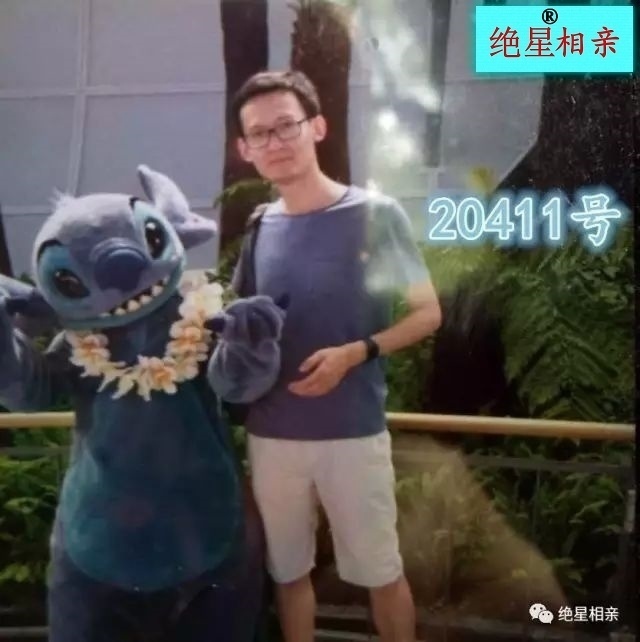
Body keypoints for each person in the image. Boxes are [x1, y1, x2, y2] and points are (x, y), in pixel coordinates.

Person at [229, 69, 442, 642]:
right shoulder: (258, 227)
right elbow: (240, 321)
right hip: (271, 435)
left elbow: (428, 313)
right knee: (288, 573)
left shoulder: (376, 214)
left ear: (317, 127)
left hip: (352, 432)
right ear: (245, 149)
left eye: (286, 126)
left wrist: (356, 352)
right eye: (259, 134)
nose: (275, 142)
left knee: (381, 572)